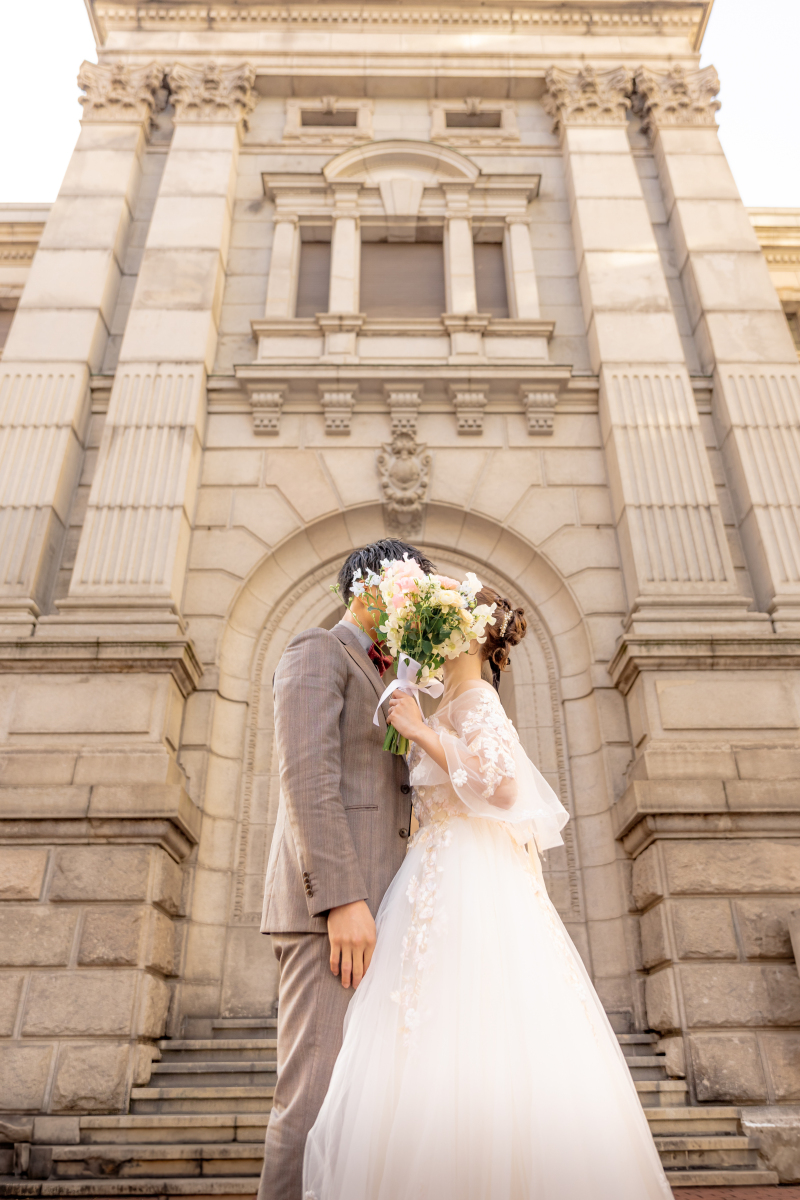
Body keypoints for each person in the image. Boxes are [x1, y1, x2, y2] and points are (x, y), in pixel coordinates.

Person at [303, 584, 673, 1200]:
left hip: (468, 875)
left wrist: (420, 733)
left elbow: (503, 789)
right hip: (428, 874)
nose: (419, 642)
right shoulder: (446, 703)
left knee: (471, 1026)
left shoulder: (476, 700)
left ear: (463, 636)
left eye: (431, 630)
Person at [257, 539, 438, 1200]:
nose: (415, 607)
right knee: (313, 1100)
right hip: (334, 916)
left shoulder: (391, 673)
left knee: (362, 1108)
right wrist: (340, 900)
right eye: (410, 590)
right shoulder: (316, 651)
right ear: (371, 588)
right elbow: (306, 780)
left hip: (381, 911)